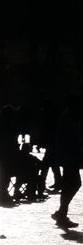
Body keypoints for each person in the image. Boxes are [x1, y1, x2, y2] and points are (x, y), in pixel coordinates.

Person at [53, 94, 83, 227]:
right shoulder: (67, 118)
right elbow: (69, 139)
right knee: (74, 183)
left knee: (71, 184)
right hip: (69, 157)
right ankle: (61, 213)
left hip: (71, 156)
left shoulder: (71, 117)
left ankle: (62, 212)